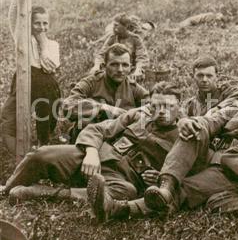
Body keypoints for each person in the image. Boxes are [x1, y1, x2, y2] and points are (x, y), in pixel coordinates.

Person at [1, 83, 181, 215]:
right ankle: (7, 188)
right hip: (92, 157)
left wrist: (159, 177)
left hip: (119, 177)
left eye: (168, 106)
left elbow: (180, 174)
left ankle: (39, 193)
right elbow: (99, 129)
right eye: (156, 106)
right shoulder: (138, 116)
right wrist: (92, 152)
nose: (161, 111)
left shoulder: (183, 138)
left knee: (126, 192)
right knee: (41, 154)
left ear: (179, 106)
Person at [143, 69, 238, 215]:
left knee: (188, 188)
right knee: (195, 130)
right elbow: (211, 121)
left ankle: (132, 207)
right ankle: (166, 185)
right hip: (209, 156)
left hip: (232, 170)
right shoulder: (234, 110)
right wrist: (188, 121)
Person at [0, 0, 61, 153]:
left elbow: (50, 67)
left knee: (46, 119)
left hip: (45, 84)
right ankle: (20, 154)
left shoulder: (53, 45)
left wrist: (42, 44)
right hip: (23, 79)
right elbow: (13, 16)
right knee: (7, 118)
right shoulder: (23, 39)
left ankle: (42, 147)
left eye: (45, 23)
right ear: (29, 24)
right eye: (37, 23)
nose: (42, 27)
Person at [62, 44, 149, 139]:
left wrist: (130, 116)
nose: (120, 70)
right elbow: (68, 106)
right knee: (84, 122)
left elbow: (152, 108)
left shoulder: (134, 88)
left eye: (125, 65)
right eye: (114, 64)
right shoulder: (90, 83)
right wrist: (102, 108)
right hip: (88, 138)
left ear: (130, 68)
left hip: (120, 142)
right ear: (104, 66)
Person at [90, 13, 149, 81]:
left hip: (130, 70)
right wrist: (96, 66)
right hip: (113, 68)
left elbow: (142, 57)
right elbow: (101, 54)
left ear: (126, 26)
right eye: (113, 25)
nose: (113, 28)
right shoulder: (112, 38)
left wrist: (138, 70)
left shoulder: (135, 39)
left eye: (116, 25)